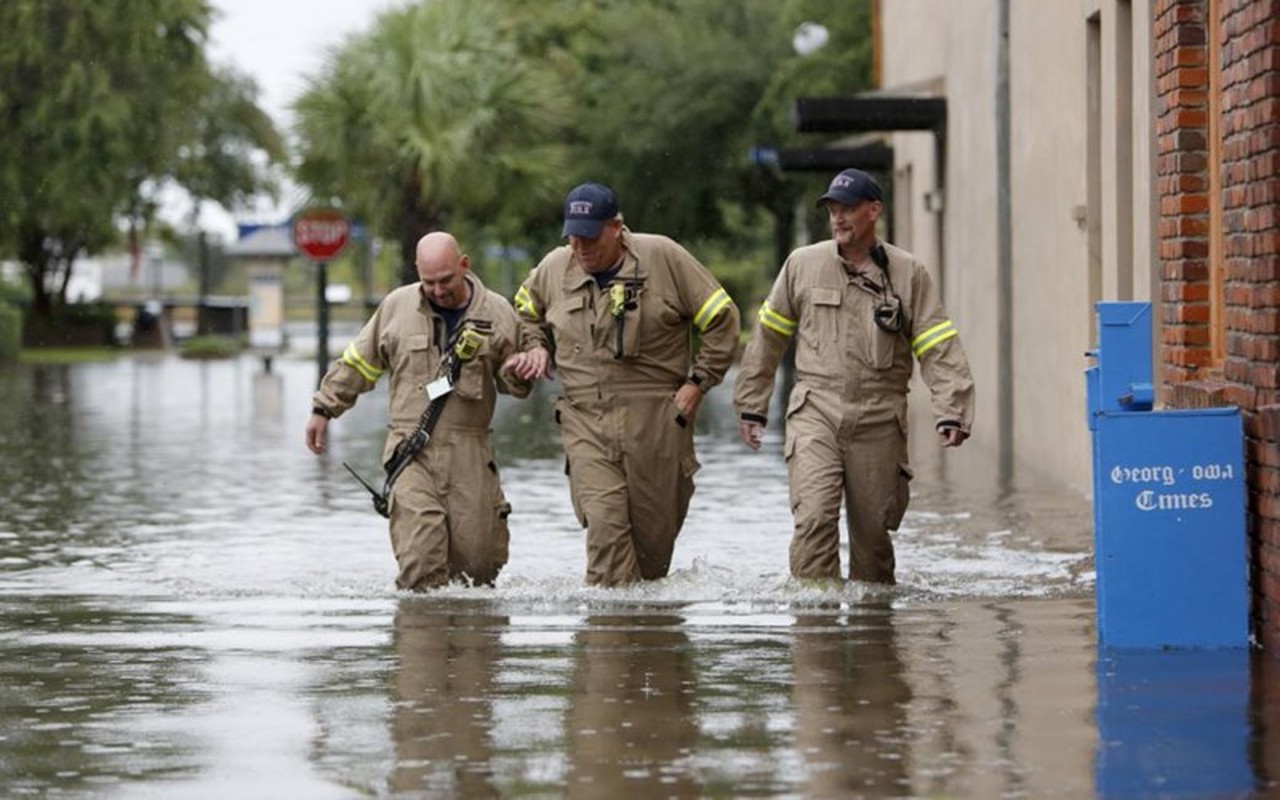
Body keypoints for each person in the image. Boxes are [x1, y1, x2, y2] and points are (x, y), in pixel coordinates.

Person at [733, 168, 975, 585]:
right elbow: (767, 338)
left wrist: (952, 409)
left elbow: (937, 344)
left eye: (848, 209)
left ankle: (873, 642)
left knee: (874, 544)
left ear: (874, 210)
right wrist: (752, 405)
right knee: (813, 520)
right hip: (816, 410)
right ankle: (816, 634)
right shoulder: (802, 265)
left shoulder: (907, 273)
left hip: (880, 416)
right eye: (832, 209)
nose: (838, 218)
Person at [505, 182, 740, 586]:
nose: (580, 247)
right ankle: (607, 641)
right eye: (573, 237)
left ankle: (647, 644)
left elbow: (722, 319)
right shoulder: (554, 268)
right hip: (585, 421)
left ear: (616, 227)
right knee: (606, 536)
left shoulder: (663, 257)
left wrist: (698, 383)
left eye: (591, 237)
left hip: (657, 424)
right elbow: (524, 312)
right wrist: (535, 346)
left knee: (651, 562)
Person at [306, 231, 533, 590]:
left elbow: (517, 387)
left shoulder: (498, 311)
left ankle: (472, 644)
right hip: (411, 451)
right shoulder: (397, 307)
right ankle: (420, 643)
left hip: (471, 453)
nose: (439, 290)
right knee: (421, 565)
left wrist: (518, 369)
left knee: (477, 570)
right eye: (429, 282)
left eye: (446, 280)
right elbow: (359, 363)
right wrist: (324, 408)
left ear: (464, 265)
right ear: (417, 272)